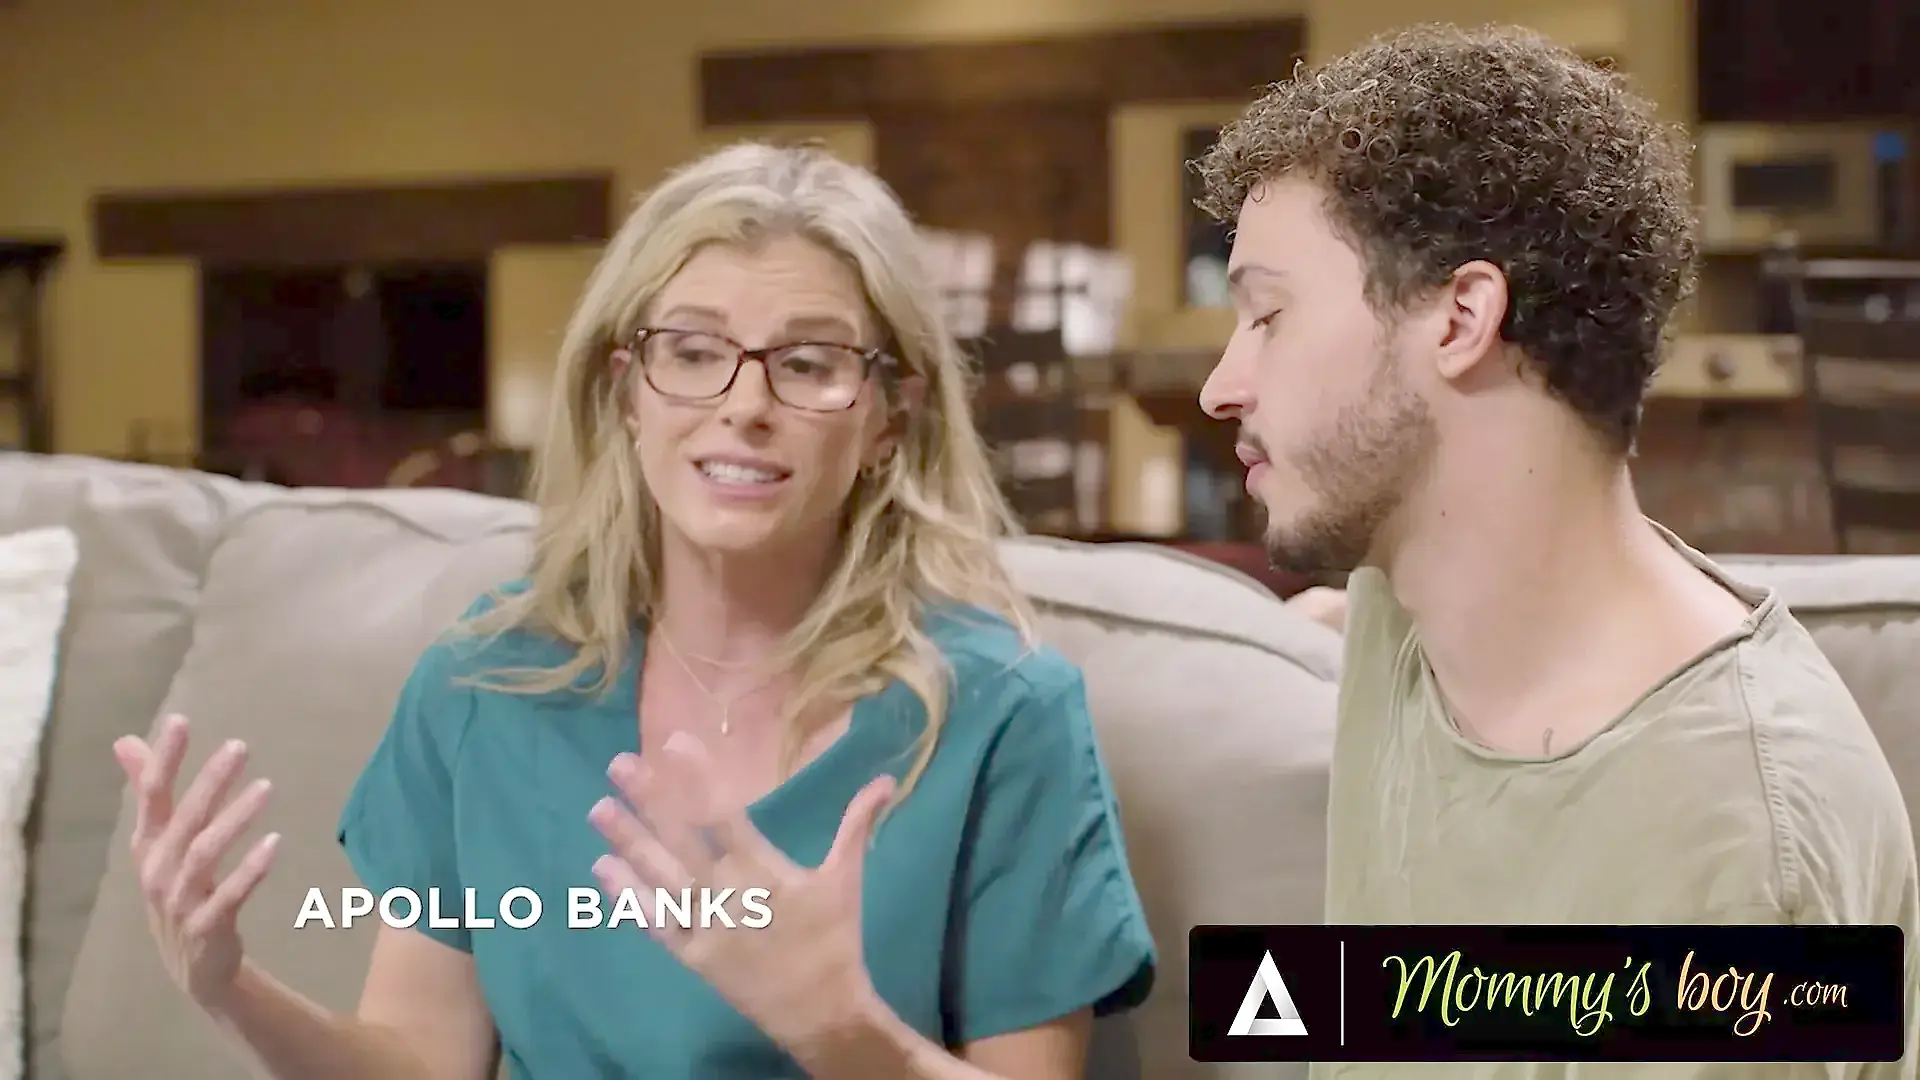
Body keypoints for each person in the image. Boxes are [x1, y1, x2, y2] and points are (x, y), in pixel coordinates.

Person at [110, 141, 1156, 1079]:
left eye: (807, 364)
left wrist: (839, 1030)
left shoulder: (1005, 712)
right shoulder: (485, 681)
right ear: (626, 392)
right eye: (692, 352)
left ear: (890, 416)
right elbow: (421, 1061)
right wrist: (230, 990)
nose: (744, 406)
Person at [1193, 23, 1917, 1079]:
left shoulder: (1730, 853)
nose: (1220, 387)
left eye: (1268, 315)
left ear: (1460, 318)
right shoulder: (1410, 602)